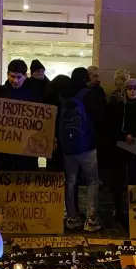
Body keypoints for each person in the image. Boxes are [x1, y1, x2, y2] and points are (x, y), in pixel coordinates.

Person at [58, 68, 103, 232]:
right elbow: (98, 119)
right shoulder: (88, 94)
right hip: (87, 146)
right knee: (92, 181)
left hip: (68, 148)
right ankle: (91, 219)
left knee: (70, 181)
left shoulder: (63, 94)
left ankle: (71, 217)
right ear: (85, 79)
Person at [107, 78, 136, 226]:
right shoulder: (119, 108)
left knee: (134, 177)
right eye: (129, 88)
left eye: (135, 88)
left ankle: (134, 207)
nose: (132, 91)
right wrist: (123, 135)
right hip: (120, 149)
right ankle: (118, 208)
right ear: (125, 91)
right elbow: (112, 127)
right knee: (118, 180)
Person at [0, 59, 39, 171]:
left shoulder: (34, 92)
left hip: (27, 149)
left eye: (19, 77)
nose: (15, 80)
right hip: (5, 147)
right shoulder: (0, 91)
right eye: (12, 76)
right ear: (7, 74)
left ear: (25, 76)